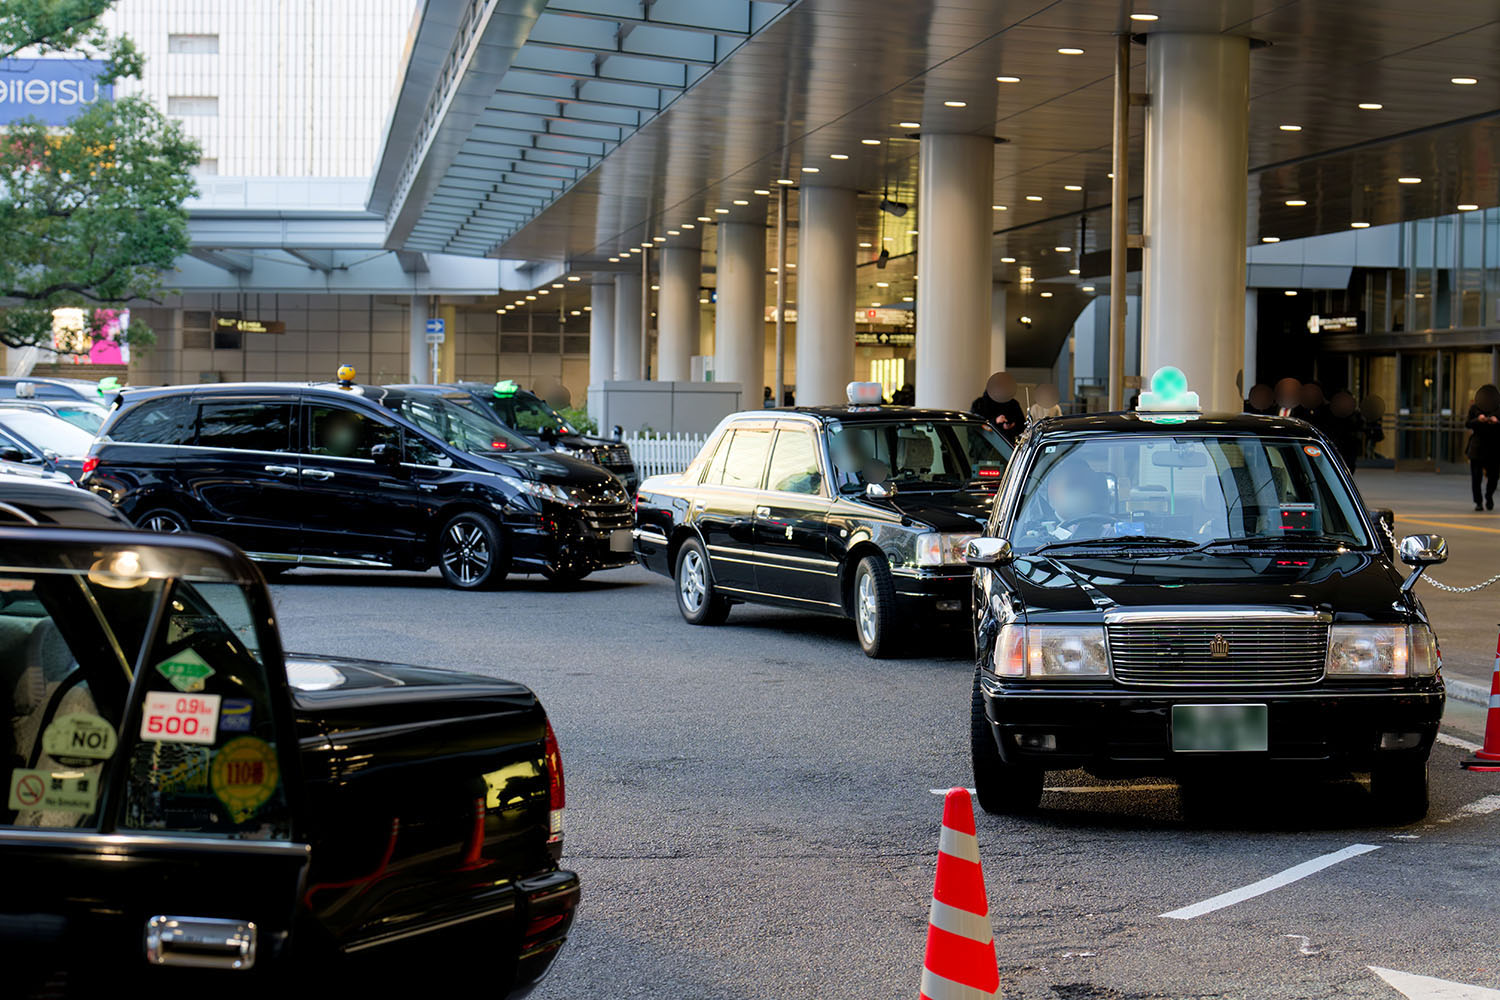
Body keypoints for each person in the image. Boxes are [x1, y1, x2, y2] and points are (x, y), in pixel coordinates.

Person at [1465, 384, 1500, 511]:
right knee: (1476, 477)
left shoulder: (1498, 410)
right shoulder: (1474, 409)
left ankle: (1489, 496)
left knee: (1494, 476)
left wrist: (1496, 422)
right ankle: (1478, 502)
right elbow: (1468, 424)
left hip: (1494, 448)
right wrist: (1478, 420)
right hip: (1477, 447)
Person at [972, 371, 1027, 443]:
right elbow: (975, 426)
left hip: (1007, 446)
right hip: (985, 446)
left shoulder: (1013, 404)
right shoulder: (980, 404)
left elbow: (1022, 426)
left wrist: (1010, 426)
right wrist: (995, 421)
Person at [1323, 391, 1364, 471]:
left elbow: (1357, 427)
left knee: (1348, 466)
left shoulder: (1354, 414)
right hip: (1335, 443)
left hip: (1348, 445)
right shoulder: (1329, 413)